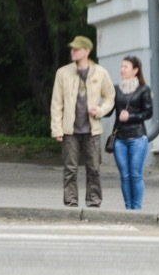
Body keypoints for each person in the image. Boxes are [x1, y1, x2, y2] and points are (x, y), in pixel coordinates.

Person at [50, 35, 116, 207]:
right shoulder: (63, 73)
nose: (72, 52)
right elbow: (56, 103)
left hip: (92, 130)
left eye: (76, 49)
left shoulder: (100, 73)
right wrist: (56, 129)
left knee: (93, 169)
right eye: (72, 49)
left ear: (86, 51)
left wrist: (100, 110)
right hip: (70, 130)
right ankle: (71, 201)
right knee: (70, 169)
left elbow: (110, 96)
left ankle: (93, 201)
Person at [109, 55, 153, 210]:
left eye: (125, 67)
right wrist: (98, 109)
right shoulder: (115, 89)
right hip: (119, 138)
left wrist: (130, 116)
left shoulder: (143, 89)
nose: (122, 70)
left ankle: (137, 209)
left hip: (137, 137)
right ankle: (128, 209)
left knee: (135, 174)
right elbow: (109, 110)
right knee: (125, 176)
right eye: (121, 66)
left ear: (135, 70)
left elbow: (148, 113)